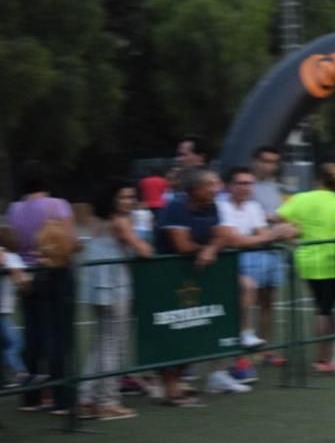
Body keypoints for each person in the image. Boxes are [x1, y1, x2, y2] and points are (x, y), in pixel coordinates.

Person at [156, 166, 250, 400]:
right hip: (168, 277)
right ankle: (170, 385)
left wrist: (210, 249)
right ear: (194, 189)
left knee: (195, 327)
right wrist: (204, 250)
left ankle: (179, 379)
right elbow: (182, 245)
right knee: (174, 329)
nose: (216, 188)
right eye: (210, 184)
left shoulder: (212, 206)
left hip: (197, 275)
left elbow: (221, 235)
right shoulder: (176, 208)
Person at [7, 161, 78, 414]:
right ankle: (62, 398)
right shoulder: (58, 205)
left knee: (33, 335)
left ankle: (31, 396)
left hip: (26, 275)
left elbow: (12, 242)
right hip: (56, 272)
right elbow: (69, 242)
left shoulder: (14, 209)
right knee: (59, 336)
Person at [78, 180, 153, 420]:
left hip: (97, 286)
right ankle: (107, 402)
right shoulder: (120, 221)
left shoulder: (96, 221)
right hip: (113, 285)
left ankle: (86, 395)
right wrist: (144, 243)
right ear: (112, 199)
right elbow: (142, 250)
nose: (128, 201)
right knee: (111, 345)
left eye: (131, 197)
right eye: (123, 197)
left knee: (102, 343)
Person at [277, 163, 335, 374]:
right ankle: (326, 357)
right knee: (327, 309)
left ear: (317, 180)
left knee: (323, 308)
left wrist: (297, 229)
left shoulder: (300, 198)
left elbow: (280, 219)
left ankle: (327, 355)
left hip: (307, 261)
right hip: (334, 261)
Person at [217, 167, 297, 352]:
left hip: (254, 258)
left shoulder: (253, 206)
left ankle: (262, 347)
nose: (247, 187)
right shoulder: (221, 205)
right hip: (226, 261)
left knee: (267, 299)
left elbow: (261, 234)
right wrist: (273, 235)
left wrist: (282, 233)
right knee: (245, 291)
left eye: (250, 183)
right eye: (241, 183)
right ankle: (243, 336)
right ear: (230, 186)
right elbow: (234, 240)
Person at [0, 229, 29, 387]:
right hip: (3, 310)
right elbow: (21, 277)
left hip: (4, 308)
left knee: (5, 342)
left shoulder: (7, 257)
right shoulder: (11, 257)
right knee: (15, 343)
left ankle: (6, 375)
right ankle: (18, 371)